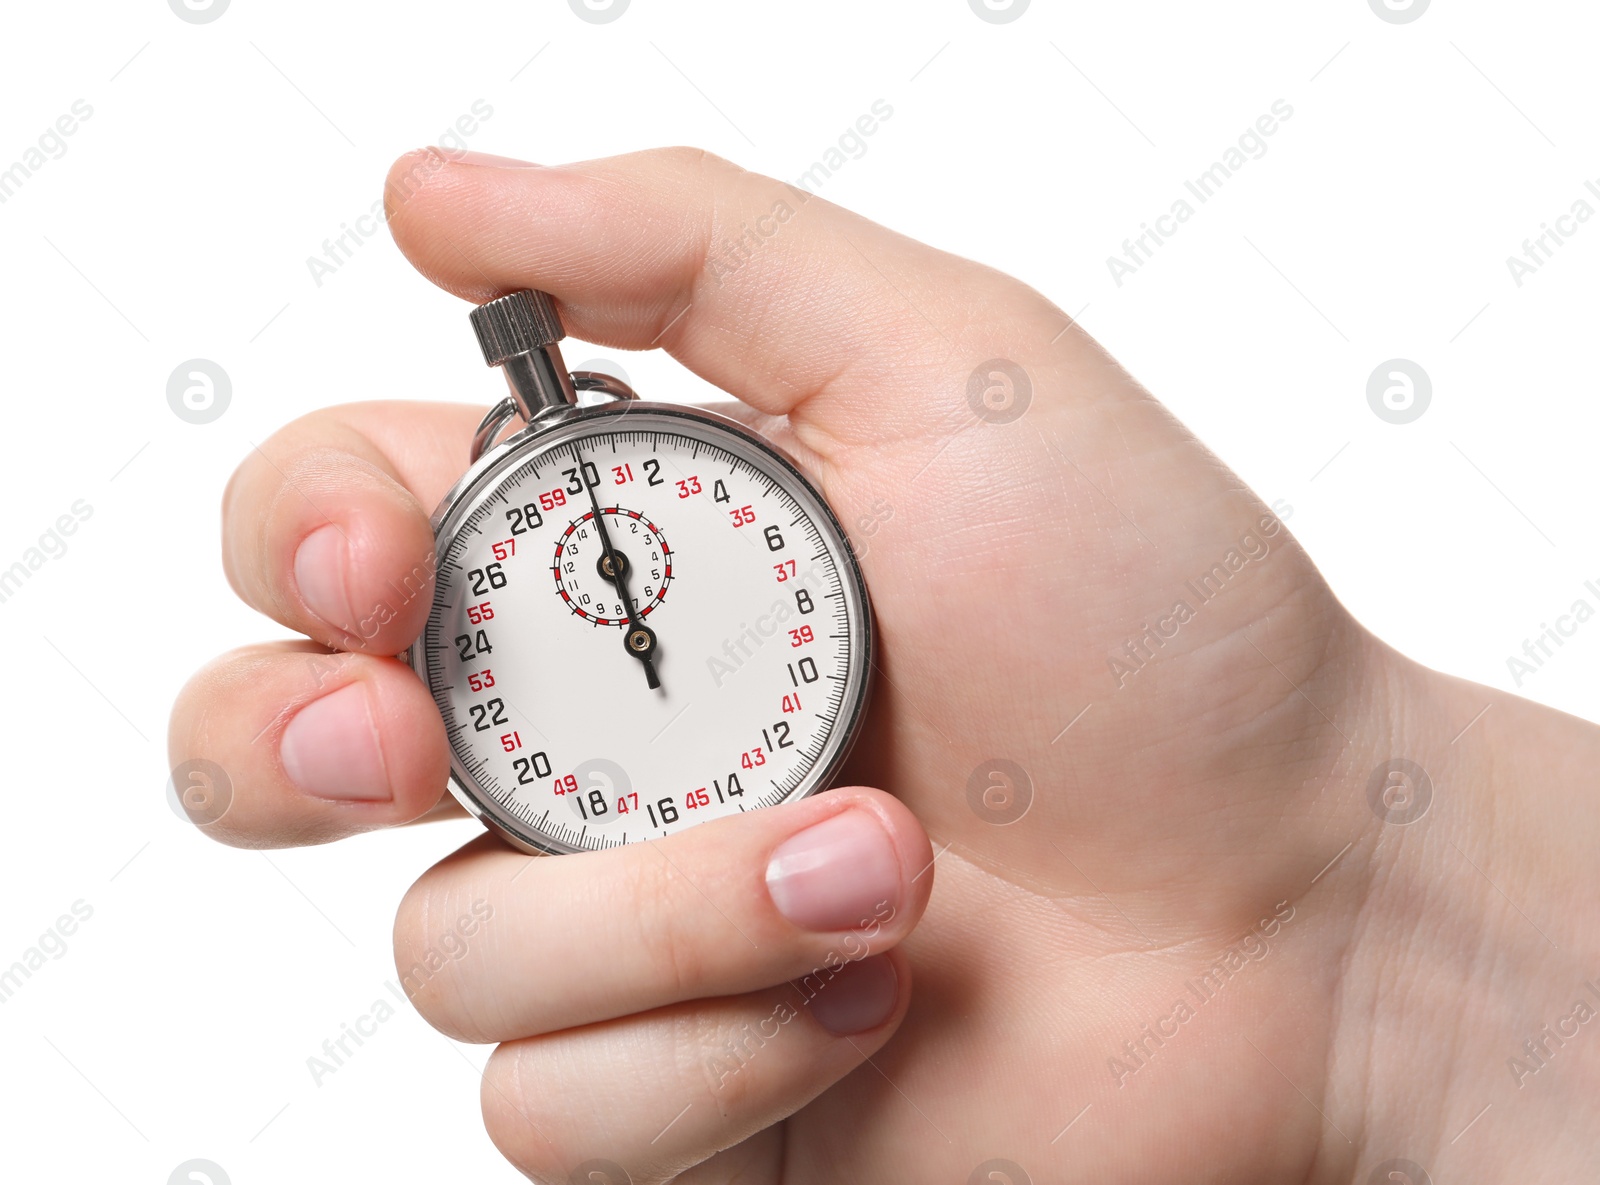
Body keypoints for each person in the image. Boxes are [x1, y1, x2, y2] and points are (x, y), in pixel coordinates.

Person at [168, 146, 1598, 1184]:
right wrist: (1386, 946)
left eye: (627, 586)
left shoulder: (737, 513)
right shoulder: (483, 580)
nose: (628, 609)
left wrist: (1365, 876)